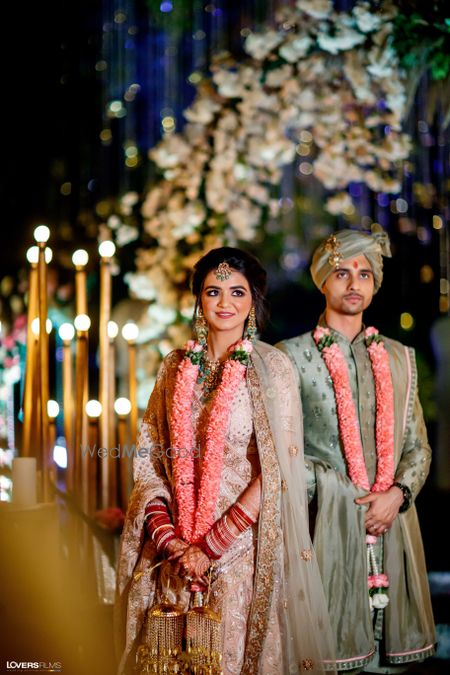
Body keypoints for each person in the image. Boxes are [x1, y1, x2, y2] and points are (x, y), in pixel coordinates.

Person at [114, 247, 336, 675]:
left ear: (253, 300)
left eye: (237, 292)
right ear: (198, 299)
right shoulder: (175, 366)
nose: (224, 303)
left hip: (241, 550)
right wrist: (171, 541)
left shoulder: (273, 368)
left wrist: (214, 544)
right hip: (174, 551)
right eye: (213, 291)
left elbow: (279, 466)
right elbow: (151, 459)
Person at [276, 227, 436, 673]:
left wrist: (396, 495)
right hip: (321, 528)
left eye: (365, 274)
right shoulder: (289, 358)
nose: (354, 283)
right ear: (323, 281)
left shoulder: (399, 357)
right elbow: (280, 454)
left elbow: (417, 447)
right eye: (342, 272)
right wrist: (340, 495)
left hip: (394, 525)